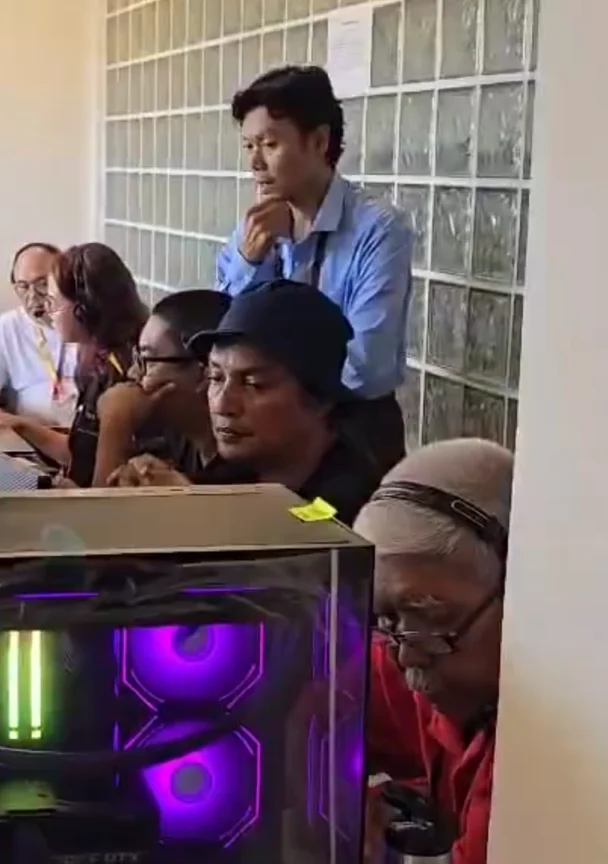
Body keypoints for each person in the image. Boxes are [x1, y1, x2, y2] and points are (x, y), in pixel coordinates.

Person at [218, 66, 414, 475]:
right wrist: (251, 260)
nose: (255, 162)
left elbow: (369, 365)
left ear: (320, 142)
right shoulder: (256, 226)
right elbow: (224, 340)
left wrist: (285, 393)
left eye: (270, 144)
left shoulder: (378, 228)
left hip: (352, 428)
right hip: (268, 424)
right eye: (248, 145)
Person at [353, 438, 512, 864]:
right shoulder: (420, 655)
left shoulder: (535, 767)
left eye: (430, 616)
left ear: (517, 589)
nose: (407, 658)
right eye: (388, 618)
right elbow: (300, 697)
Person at [111, 280, 381, 524]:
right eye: (216, 377)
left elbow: (302, 538)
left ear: (320, 399)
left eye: (253, 384)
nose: (223, 404)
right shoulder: (235, 468)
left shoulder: (356, 500)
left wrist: (190, 505)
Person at [0, 243, 148, 487]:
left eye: (53, 300)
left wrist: (58, 488)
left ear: (82, 308)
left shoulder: (122, 379)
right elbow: (81, 456)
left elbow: (103, 494)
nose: (47, 310)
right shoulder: (95, 363)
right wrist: (20, 425)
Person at [84, 290, 231, 487]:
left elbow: (101, 508)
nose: (133, 373)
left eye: (148, 360)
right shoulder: (177, 437)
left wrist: (115, 424)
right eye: (137, 358)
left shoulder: (239, 466)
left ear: (205, 374)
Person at [0, 242, 82, 426]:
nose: (33, 296)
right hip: (33, 435)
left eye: (42, 284)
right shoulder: (9, 327)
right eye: (23, 287)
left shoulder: (88, 321)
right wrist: (4, 420)